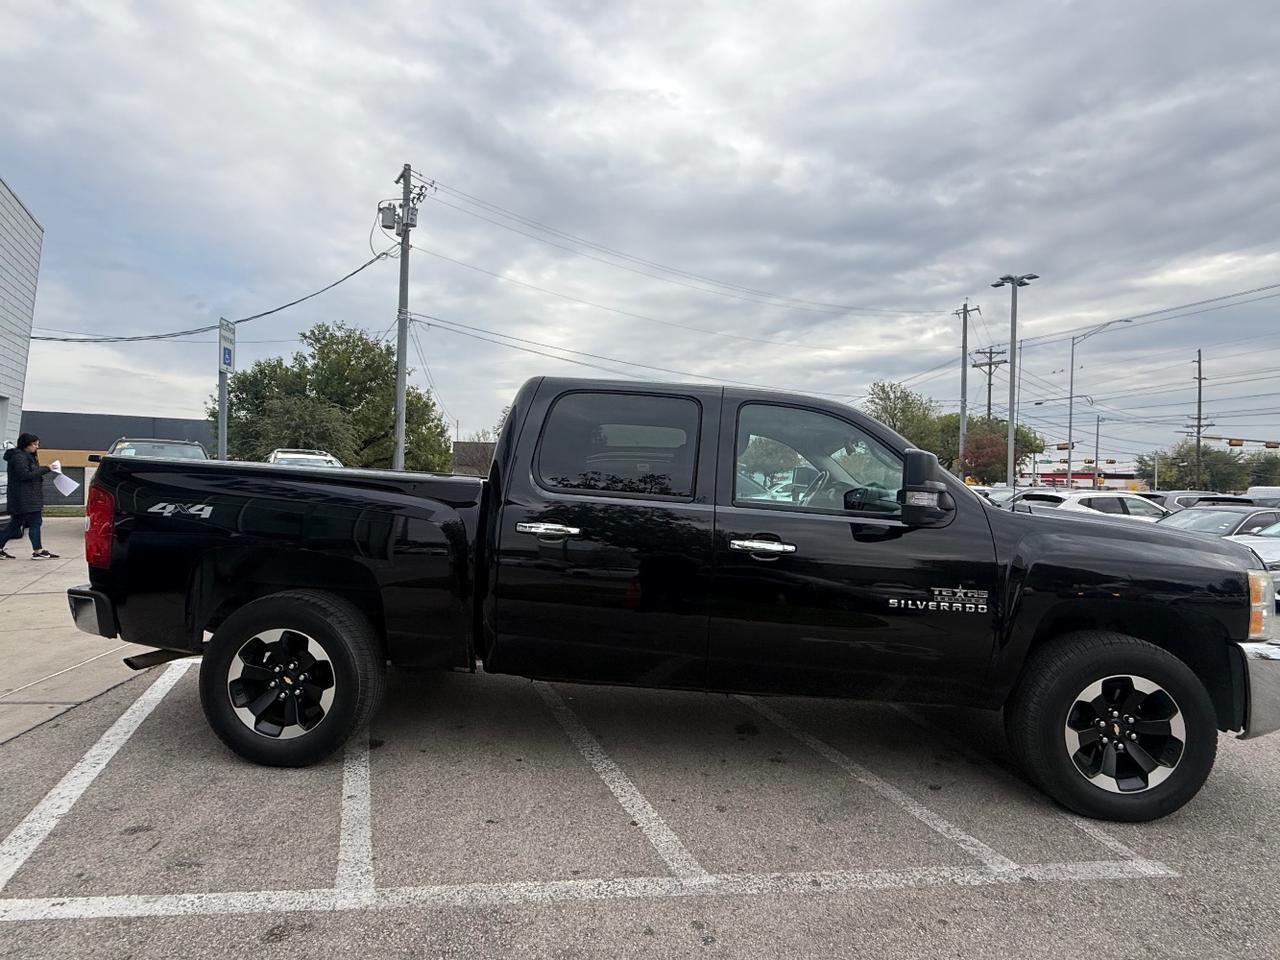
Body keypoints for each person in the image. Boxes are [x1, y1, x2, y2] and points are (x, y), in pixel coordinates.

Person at [1, 433, 60, 560]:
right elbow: (25, 475)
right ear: (26, 445)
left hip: (27, 497)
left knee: (16, 524)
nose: (36, 447)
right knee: (35, 522)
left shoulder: (26, 456)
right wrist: (46, 469)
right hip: (25, 497)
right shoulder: (19, 457)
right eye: (34, 444)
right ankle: (38, 550)